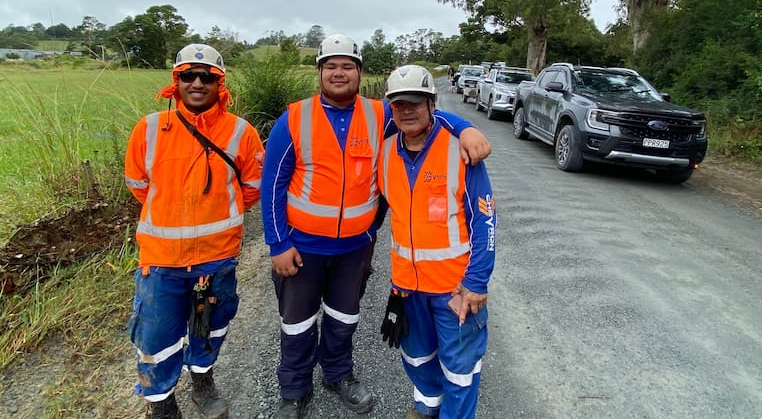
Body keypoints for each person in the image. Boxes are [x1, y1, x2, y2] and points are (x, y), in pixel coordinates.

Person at [261, 34, 491, 419]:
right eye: (331, 66)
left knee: (343, 319)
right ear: (319, 72)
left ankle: (338, 375)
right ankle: (294, 390)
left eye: (347, 66)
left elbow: (422, 114)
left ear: (359, 72)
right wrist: (277, 243)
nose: (339, 73)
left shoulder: (378, 115)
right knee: (297, 324)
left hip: (353, 250)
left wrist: (464, 126)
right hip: (301, 249)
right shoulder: (294, 119)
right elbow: (273, 184)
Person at [124, 43, 264, 419]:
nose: (198, 82)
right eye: (189, 75)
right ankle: (162, 404)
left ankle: (203, 381)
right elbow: (138, 184)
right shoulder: (149, 129)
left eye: (208, 77)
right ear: (176, 81)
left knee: (210, 327)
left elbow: (252, 189)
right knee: (156, 337)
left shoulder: (241, 133)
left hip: (215, 259)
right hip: (160, 261)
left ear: (221, 84)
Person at [378, 65, 496, 419]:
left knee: (460, 369)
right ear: (391, 109)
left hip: (454, 290)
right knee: (416, 357)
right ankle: (427, 407)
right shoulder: (383, 153)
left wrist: (475, 282)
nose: (407, 110)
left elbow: (486, 221)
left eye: (416, 102)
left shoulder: (461, 151)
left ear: (432, 104)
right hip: (407, 287)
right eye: (399, 104)